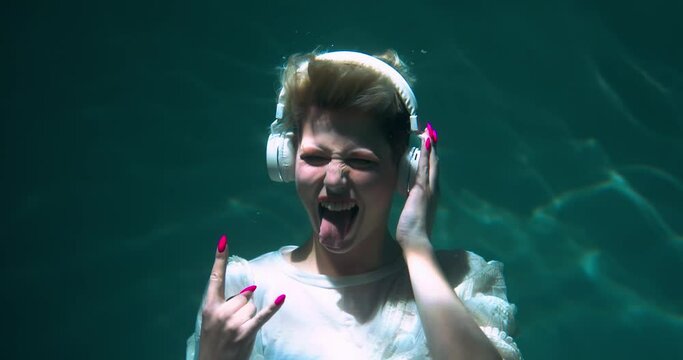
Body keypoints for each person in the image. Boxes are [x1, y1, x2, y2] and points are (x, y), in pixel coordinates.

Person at [186, 50, 521, 360]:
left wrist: (417, 248)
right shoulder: (244, 291)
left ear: (406, 170)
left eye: (360, 161)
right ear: (285, 162)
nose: (334, 180)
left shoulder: (460, 281)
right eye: (315, 157)